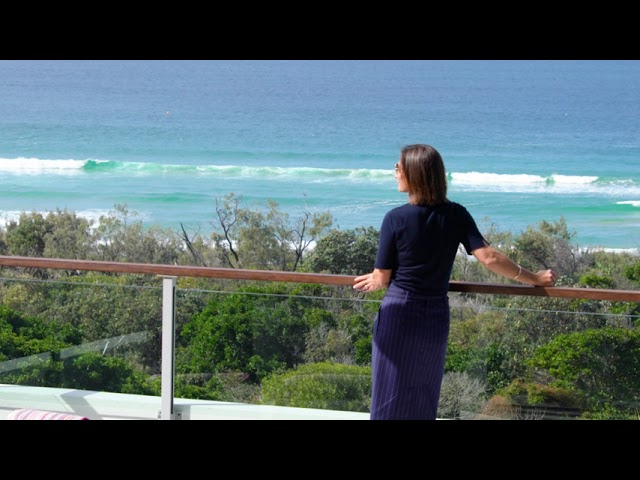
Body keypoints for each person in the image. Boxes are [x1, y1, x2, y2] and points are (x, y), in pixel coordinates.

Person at [353, 144, 557, 420]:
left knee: (390, 393)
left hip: (399, 312)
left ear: (415, 174)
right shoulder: (456, 215)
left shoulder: (395, 219)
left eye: (399, 167)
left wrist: (371, 280)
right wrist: (535, 278)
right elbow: (490, 257)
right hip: (435, 313)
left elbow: (382, 278)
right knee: (424, 393)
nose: (395, 172)